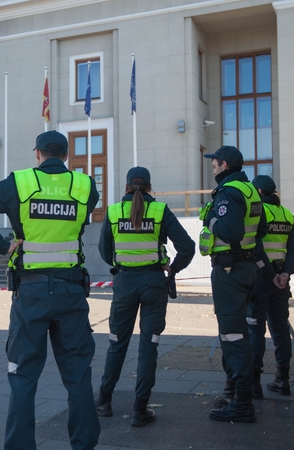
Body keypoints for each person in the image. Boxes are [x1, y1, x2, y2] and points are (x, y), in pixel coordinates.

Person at [0, 130, 100, 450]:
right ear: (66, 155)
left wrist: (3, 246)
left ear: (38, 154)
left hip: (31, 294)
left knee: (23, 378)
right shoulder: (85, 186)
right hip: (71, 292)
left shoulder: (19, 183)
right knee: (79, 377)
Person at [95, 167, 196, 427]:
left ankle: (104, 402)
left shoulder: (115, 211)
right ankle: (140, 410)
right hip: (153, 284)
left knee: (117, 343)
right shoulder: (160, 211)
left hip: (125, 283)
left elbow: (104, 250)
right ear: (150, 187)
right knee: (148, 347)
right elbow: (187, 247)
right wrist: (172, 268)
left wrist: (121, 263)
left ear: (127, 186)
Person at [199, 145, 267, 423]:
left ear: (224, 165)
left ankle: (241, 402)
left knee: (232, 335)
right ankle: (241, 391)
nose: (212, 167)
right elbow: (260, 230)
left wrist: (211, 218)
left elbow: (230, 230)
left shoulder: (227, 192)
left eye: (214, 163)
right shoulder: (249, 189)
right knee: (241, 333)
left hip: (230, 269)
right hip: (248, 267)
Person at [246, 175, 294, 399]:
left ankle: (254, 384)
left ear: (259, 192)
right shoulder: (287, 215)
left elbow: (257, 249)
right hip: (280, 281)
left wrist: (270, 275)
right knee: (280, 330)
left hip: (261, 279)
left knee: (255, 330)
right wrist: (285, 274)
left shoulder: (258, 213)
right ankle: (283, 379)